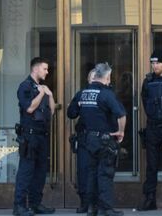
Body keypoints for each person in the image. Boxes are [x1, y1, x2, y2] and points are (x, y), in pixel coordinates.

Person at [72, 62, 126, 216]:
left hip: (88, 140)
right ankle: (106, 208)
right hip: (104, 140)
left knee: (91, 174)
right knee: (105, 174)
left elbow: (72, 112)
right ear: (107, 77)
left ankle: (91, 207)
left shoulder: (82, 93)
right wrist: (120, 131)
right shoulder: (106, 94)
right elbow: (121, 115)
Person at [14, 57, 56, 216]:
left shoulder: (42, 88)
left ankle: (35, 204)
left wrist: (50, 95)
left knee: (40, 172)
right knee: (26, 171)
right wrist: (40, 94)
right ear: (36, 69)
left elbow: (51, 111)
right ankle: (19, 206)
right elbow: (30, 108)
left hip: (42, 136)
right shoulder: (24, 86)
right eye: (45, 69)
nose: (47, 72)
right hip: (30, 135)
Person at [136, 49, 162, 211]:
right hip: (153, 126)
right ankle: (149, 199)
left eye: (157, 62)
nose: (154, 65)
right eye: (152, 62)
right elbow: (144, 100)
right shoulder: (148, 80)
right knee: (152, 165)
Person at [68, 69, 96, 214]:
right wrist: (78, 104)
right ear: (88, 79)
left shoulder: (106, 94)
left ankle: (96, 203)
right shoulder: (81, 94)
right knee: (83, 171)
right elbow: (71, 113)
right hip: (84, 138)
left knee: (99, 172)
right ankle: (85, 202)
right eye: (92, 77)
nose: (94, 80)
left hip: (100, 139)